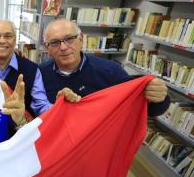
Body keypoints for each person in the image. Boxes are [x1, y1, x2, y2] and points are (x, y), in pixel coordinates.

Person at [39, 18, 170, 116]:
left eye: (69, 39)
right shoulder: (39, 74)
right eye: (55, 43)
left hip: (94, 145)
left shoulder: (110, 71)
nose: (63, 47)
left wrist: (157, 98)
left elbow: (148, 110)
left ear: (81, 39)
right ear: (47, 48)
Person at [0, 20, 53, 117]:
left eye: (8, 36)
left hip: (19, 129)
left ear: (15, 40)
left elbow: (41, 106)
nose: (1, 41)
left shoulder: (32, 70)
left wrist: (59, 109)